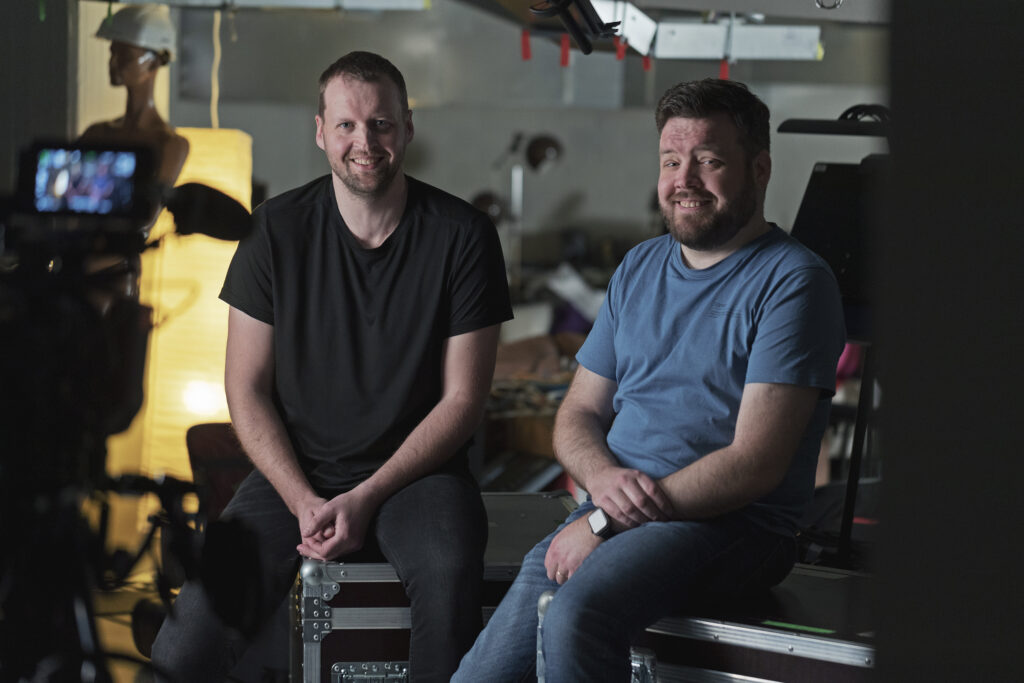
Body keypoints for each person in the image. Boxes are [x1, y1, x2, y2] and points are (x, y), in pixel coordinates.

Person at [453, 79, 846, 682]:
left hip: (730, 525)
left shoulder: (794, 282)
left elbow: (754, 464)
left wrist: (604, 521)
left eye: (708, 161)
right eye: (670, 161)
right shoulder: (639, 265)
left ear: (760, 169)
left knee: (575, 615)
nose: (683, 179)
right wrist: (602, 484)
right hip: (612, 513)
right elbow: (579, 413)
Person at [151, 51, 512, 683]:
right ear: (321, 131)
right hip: (296, 473)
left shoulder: (463, 235)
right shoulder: (273, 230)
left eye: (381, 124)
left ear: (406, 127)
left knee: (449, 588)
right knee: (181, 650)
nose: (364, 142)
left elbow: (462, 401)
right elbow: (245, 387)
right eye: (346, 125)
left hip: (419, 476)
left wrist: (366, 497)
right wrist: (301, 499)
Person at [79, 4, 189, 195]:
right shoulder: (96, 132)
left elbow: (149, 210)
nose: (113, 62)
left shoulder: (169, 144)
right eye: (112, 52)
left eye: (125, 56)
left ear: (154, 63)